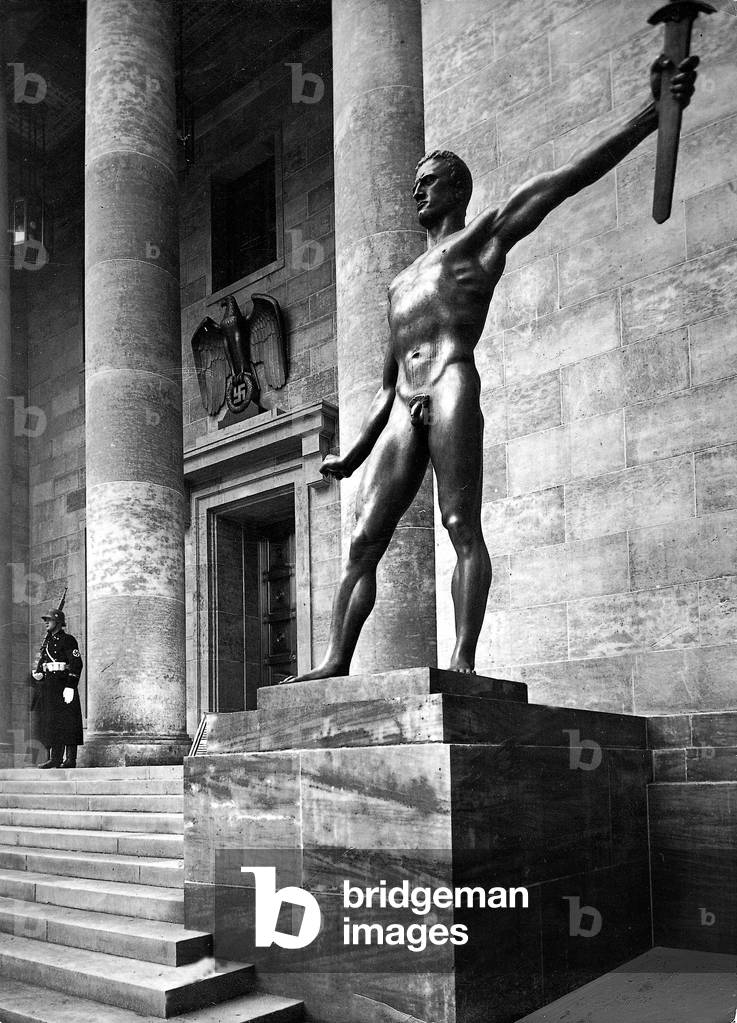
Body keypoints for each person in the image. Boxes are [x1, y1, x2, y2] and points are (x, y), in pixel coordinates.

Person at [284, 55, 699, 683]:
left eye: (429, 180)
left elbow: (566, 180)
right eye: (415, 182)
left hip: (452, 381)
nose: (417, 190)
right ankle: (337, 660)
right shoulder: (398, 283)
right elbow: (380, 383)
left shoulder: (483, 238)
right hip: (402, 402)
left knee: (459, 524)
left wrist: (652, 113)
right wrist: (352, 452)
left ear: (457, 188)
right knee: (364, 539)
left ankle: (462, 660)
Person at [32, 606, 84, 768]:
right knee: (52, 722)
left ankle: (70, 759)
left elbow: (76, 663)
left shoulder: (68, 640)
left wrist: (70, 686)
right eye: (46, 620)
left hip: (64, 685)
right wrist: (39, 672)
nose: (46, 623)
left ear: (58, 622)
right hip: (49, 687)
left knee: (69, 721)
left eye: (49, 620)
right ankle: (55, 759)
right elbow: (43, 662)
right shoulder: (47, 642)